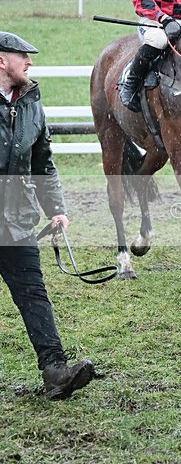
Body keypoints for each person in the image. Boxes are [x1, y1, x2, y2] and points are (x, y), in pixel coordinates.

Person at [0, 32, 95, 400]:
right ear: (2, 61)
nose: (29, 62)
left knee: (33, 295)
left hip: (17, 222)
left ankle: (55, 371)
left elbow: (43, 164)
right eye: (22, 56)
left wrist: (55, 209)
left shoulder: (31, 107)